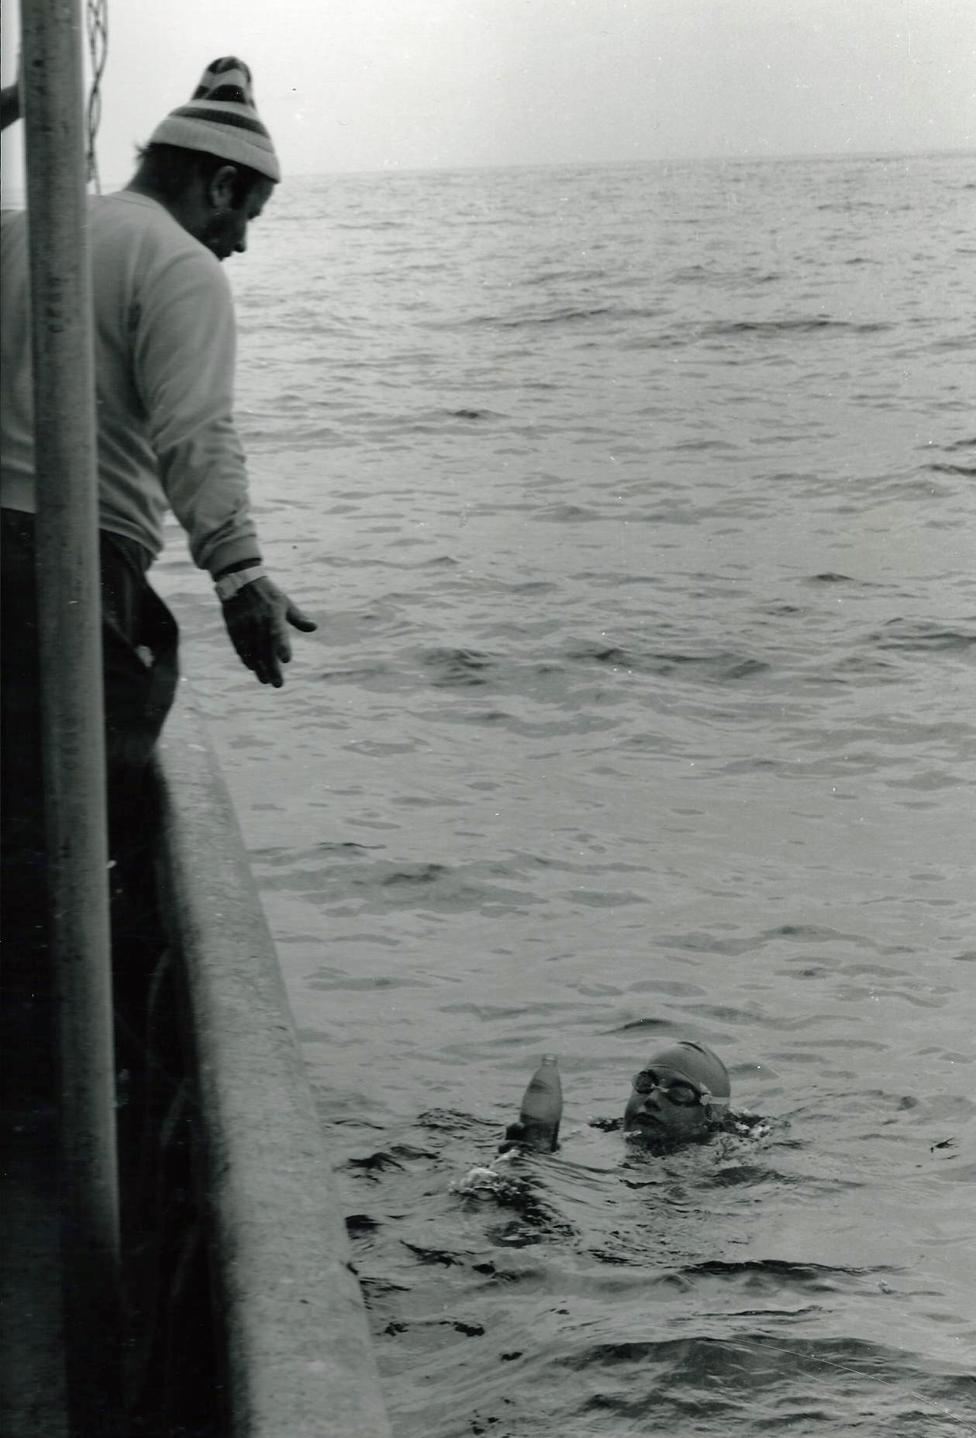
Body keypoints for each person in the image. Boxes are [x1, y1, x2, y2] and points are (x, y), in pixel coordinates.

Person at [1, 56, 316, 951]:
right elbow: (197, 431)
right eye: (245, 217)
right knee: (68, 832)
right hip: (63, 565)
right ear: (219, 182)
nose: (241, 245)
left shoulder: (26, 232)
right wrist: (240, 571)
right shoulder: (180, 266)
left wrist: (21, 99)